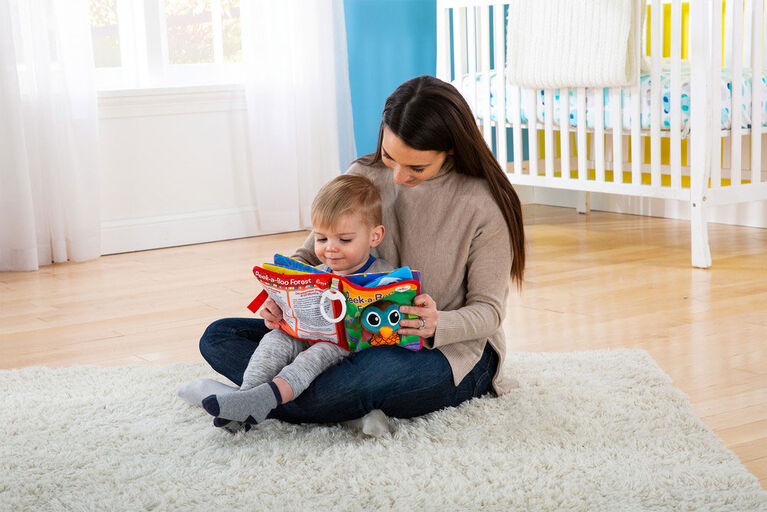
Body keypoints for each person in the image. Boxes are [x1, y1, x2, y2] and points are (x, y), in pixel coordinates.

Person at [195, 75, 525, 426]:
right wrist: (280, 296)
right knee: (219, 335)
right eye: (389, 156)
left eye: (416, 167)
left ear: (452, 150)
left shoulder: (483, 204)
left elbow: (489, 312)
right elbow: (309, 254)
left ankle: (251, 397)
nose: (397, 176)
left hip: (447, 352)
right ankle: (299, 400)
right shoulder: (364, 175)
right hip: (346, 337)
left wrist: (436, 323)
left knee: (349, 382)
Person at [193, 174, 395, 432]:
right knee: (274, 340)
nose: (330, 249)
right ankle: (244, 398)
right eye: (321, 239)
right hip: (305, 334)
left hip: (345, 349)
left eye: (344, 240)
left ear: (375, 236)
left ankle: (265, 399)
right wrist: (275, 311)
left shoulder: (383, 274)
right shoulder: (315, 273)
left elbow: (391, 317)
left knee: (316, 355)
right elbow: (288, 308)